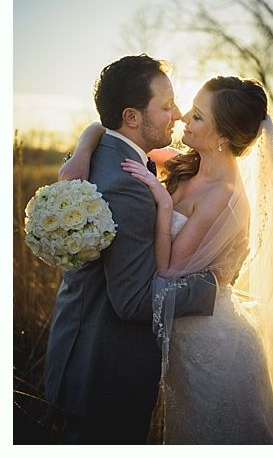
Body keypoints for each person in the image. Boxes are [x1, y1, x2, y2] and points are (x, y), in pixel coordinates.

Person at [60, 71, 273, 444]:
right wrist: (83, 149)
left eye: (196, 116)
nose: (182, 118)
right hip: (181, 337)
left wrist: (163, 203)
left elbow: (168, 270)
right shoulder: (186, 163)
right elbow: (114, 132)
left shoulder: (223, 196)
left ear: (222, 136)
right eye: (186, 110)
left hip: (213, 345)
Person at [44, 54, 218, 444]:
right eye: (166, 105)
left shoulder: (106, 151)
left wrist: (83, 147)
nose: (175, 114)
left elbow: (96, 125)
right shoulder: (127, 186)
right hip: (105, 377)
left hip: (79, 357)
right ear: (132, 117)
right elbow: (133, 301)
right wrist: (211, 286)